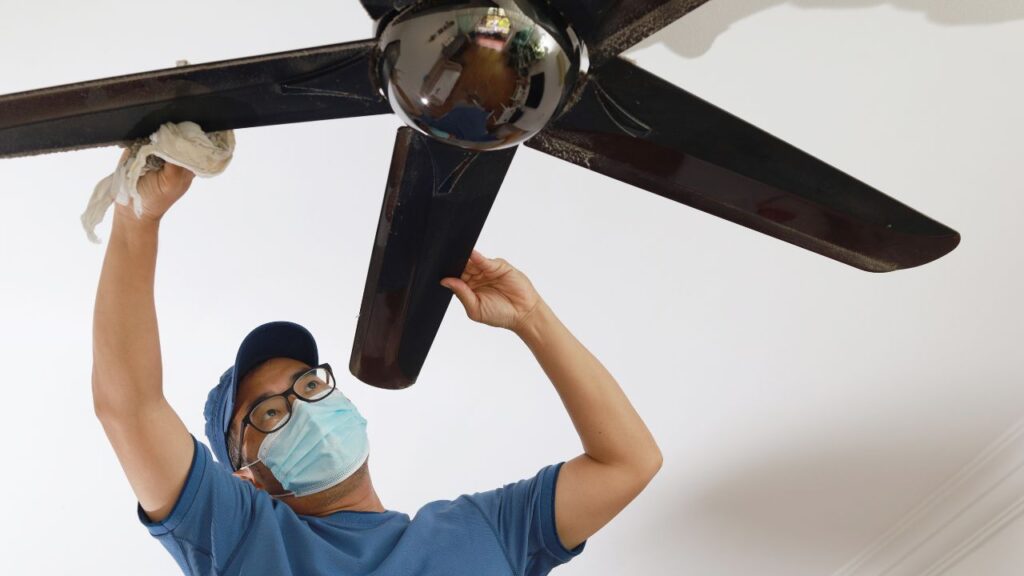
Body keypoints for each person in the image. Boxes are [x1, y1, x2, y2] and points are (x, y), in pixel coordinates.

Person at [91, 153, 663, 576]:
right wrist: (136, 220)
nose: (304, 408)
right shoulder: (248, 542)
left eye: (309, 383)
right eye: (268, 413)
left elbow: (628, 462)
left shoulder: (484, 530)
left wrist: (532, 318)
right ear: (249, 478)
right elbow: (130, 407)